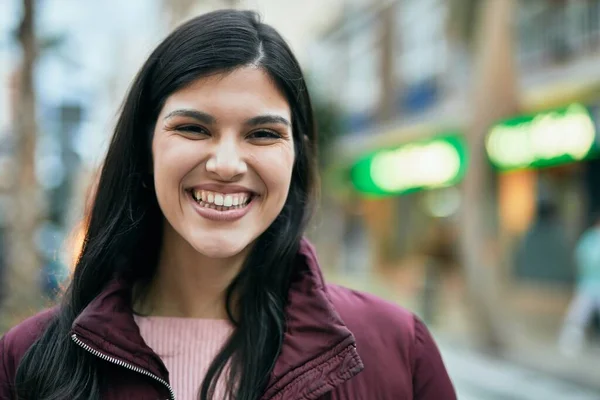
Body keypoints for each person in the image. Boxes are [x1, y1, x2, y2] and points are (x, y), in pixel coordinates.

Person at [0, 10, 456, 400]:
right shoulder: (26, 357)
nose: (225, 164)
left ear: (296, 156)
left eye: (263, 134)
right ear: (145, 146)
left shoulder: (398, 349)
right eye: (194, 129)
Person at [558, 212, 600, 356]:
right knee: (578, 315)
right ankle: (570, 343)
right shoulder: (590, 239)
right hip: (588, 284)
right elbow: (581, 259)